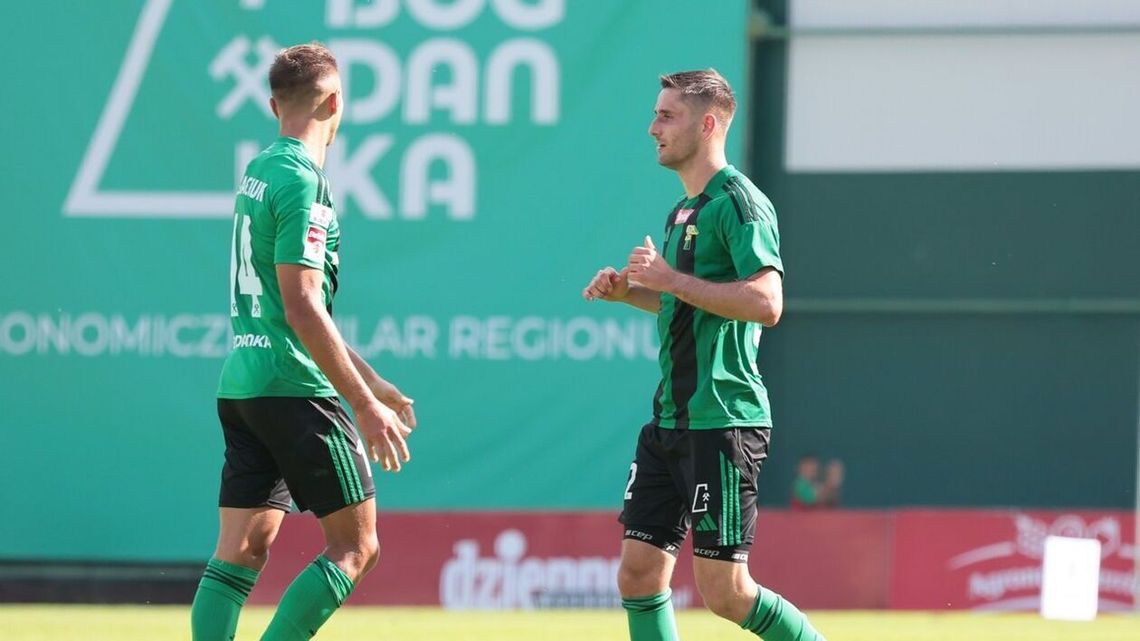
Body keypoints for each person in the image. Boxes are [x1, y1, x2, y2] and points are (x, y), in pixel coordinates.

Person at [583, 69, 825, 641]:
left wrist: (668, 278)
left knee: (726, 593)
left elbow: (767, 302)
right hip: (671, 420)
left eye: (667, 116)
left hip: (723, 418)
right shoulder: (682, 211)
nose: (653, 128)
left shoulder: (739, 202)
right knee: (638, 574)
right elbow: (688, 306)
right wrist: (632, 293)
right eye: (656, 114)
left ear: (708, 124)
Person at [190, 42, 417, 641]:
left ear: (273, 105)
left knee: (241, 548)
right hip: (294, 389)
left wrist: (371, 380)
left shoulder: (261, 170)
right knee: (357, 546)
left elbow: (289, 307)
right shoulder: (302, 181)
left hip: (245, 384)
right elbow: (301, 305)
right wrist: (362, 404)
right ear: (336, 102)